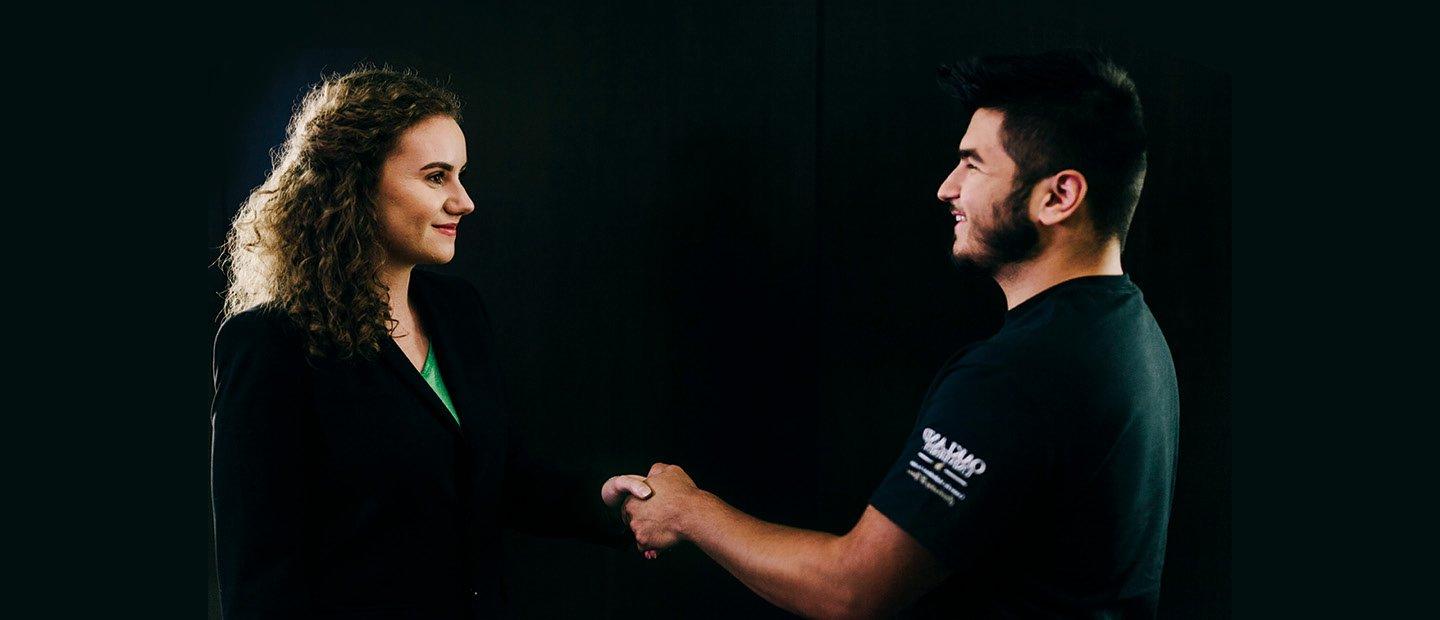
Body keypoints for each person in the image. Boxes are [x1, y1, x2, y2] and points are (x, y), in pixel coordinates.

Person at [612, 49, 1180, 618]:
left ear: (1058, 197)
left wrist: (689, 511)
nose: (946, 188)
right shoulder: (1132, 332)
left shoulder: (1016, 374)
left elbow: (852, 590)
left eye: (974, 165)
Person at [211, 66, 652, 619]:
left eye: (461, 175)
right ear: (357, 183)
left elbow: (493, 478)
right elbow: (259, 577)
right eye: (437, 176)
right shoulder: (270, 343)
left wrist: (601, 499)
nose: (464, 201)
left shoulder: (458, 312)